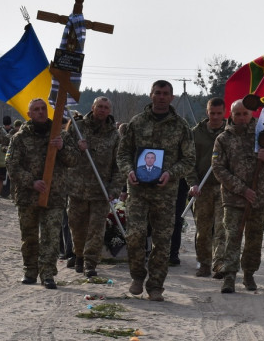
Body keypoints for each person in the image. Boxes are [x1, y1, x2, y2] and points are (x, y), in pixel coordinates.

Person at [115, 80, 194, 301]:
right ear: (151, 95)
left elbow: (189, 159)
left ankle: (156, 285)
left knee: (162, 240)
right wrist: (129, 170)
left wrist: (171, 172)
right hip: (138, 191)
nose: (161, 97)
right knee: (135, 236)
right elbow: (123, 154)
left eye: (165, 94)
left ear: (171, 97)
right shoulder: (136, 123)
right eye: (157, 93)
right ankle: (138, 276)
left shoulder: (180, 126)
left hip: (166, 193)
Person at [211, 99, 264, 293]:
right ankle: (229, 276)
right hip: (233, 198)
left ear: (252, 114)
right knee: (232, 237)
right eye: (238, 114)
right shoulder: (223, 139)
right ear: (231, 115)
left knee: (254, 239)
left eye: (245, 113)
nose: (242, 118)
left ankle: (249, 274)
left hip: (259, 198)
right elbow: (218, 168)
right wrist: (241, 189)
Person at [8, 98, 77, 288]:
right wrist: (32, 182)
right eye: (36, 110)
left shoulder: (60, 135)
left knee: (51, 237)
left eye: (43, 109)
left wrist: (62, 147)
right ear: (29, 114)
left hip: (54, 195)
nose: (40, 112)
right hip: (27, 196)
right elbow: (12, 166)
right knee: (29, 236)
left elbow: (74, 160)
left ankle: (47, 273)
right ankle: (30, 271)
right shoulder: (19, 138)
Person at [68, 97, 122, 279]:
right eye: (99, 106)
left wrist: (114, 189)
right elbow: (64, 153)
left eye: (106, 107)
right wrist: (77, 148)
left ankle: (90, 263)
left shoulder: (114, 135)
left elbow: (119, 165)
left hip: (101, 190)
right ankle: (79, 255)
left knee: (96, 230)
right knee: (77, 227)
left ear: (109, 111)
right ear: (93, 107)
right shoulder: (78, 127)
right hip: (78, 188)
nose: (102, 110)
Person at [189, 98, 227, 277]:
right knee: (203, 230)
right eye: (212, 113)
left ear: (224, 112)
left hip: (223, 187)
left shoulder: (230, 133)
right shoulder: (196, 133)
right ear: (207, 112)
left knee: (222, 228)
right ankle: (203, 263)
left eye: (219, 113)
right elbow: (189, 161)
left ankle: (219, 263)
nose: (216, 117)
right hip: (202, 188)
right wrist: (192, 182)